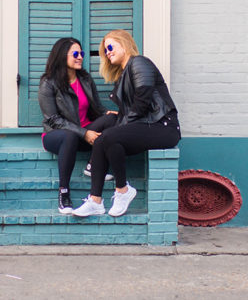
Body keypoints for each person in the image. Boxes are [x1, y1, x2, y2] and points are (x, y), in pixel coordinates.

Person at [72, 29, 180, 217]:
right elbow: (136, 108)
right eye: (105, 50)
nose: (108, 52)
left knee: (110, 136)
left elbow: (143, 100)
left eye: (111, 47)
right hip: (147, 125)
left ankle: (123, 190)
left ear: (125, 44)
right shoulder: (124, 73)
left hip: (164, 126)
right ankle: (95, 201)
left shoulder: (139, 62)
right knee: (103, 141)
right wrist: (121, 115)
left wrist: (122, 122)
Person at [38, 37, 118, 214]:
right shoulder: (48, 83)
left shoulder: (85, 79)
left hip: (84, 133)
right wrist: (84, 133)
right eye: (75, 53)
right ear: (61, 56)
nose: (80, 57)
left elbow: (97, 108)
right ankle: (64, 192)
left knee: (112, 119)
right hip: (57, 135)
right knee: (69, 134)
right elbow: (53, 119)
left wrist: (108, 115)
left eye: (81, 53)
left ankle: (92, 165)